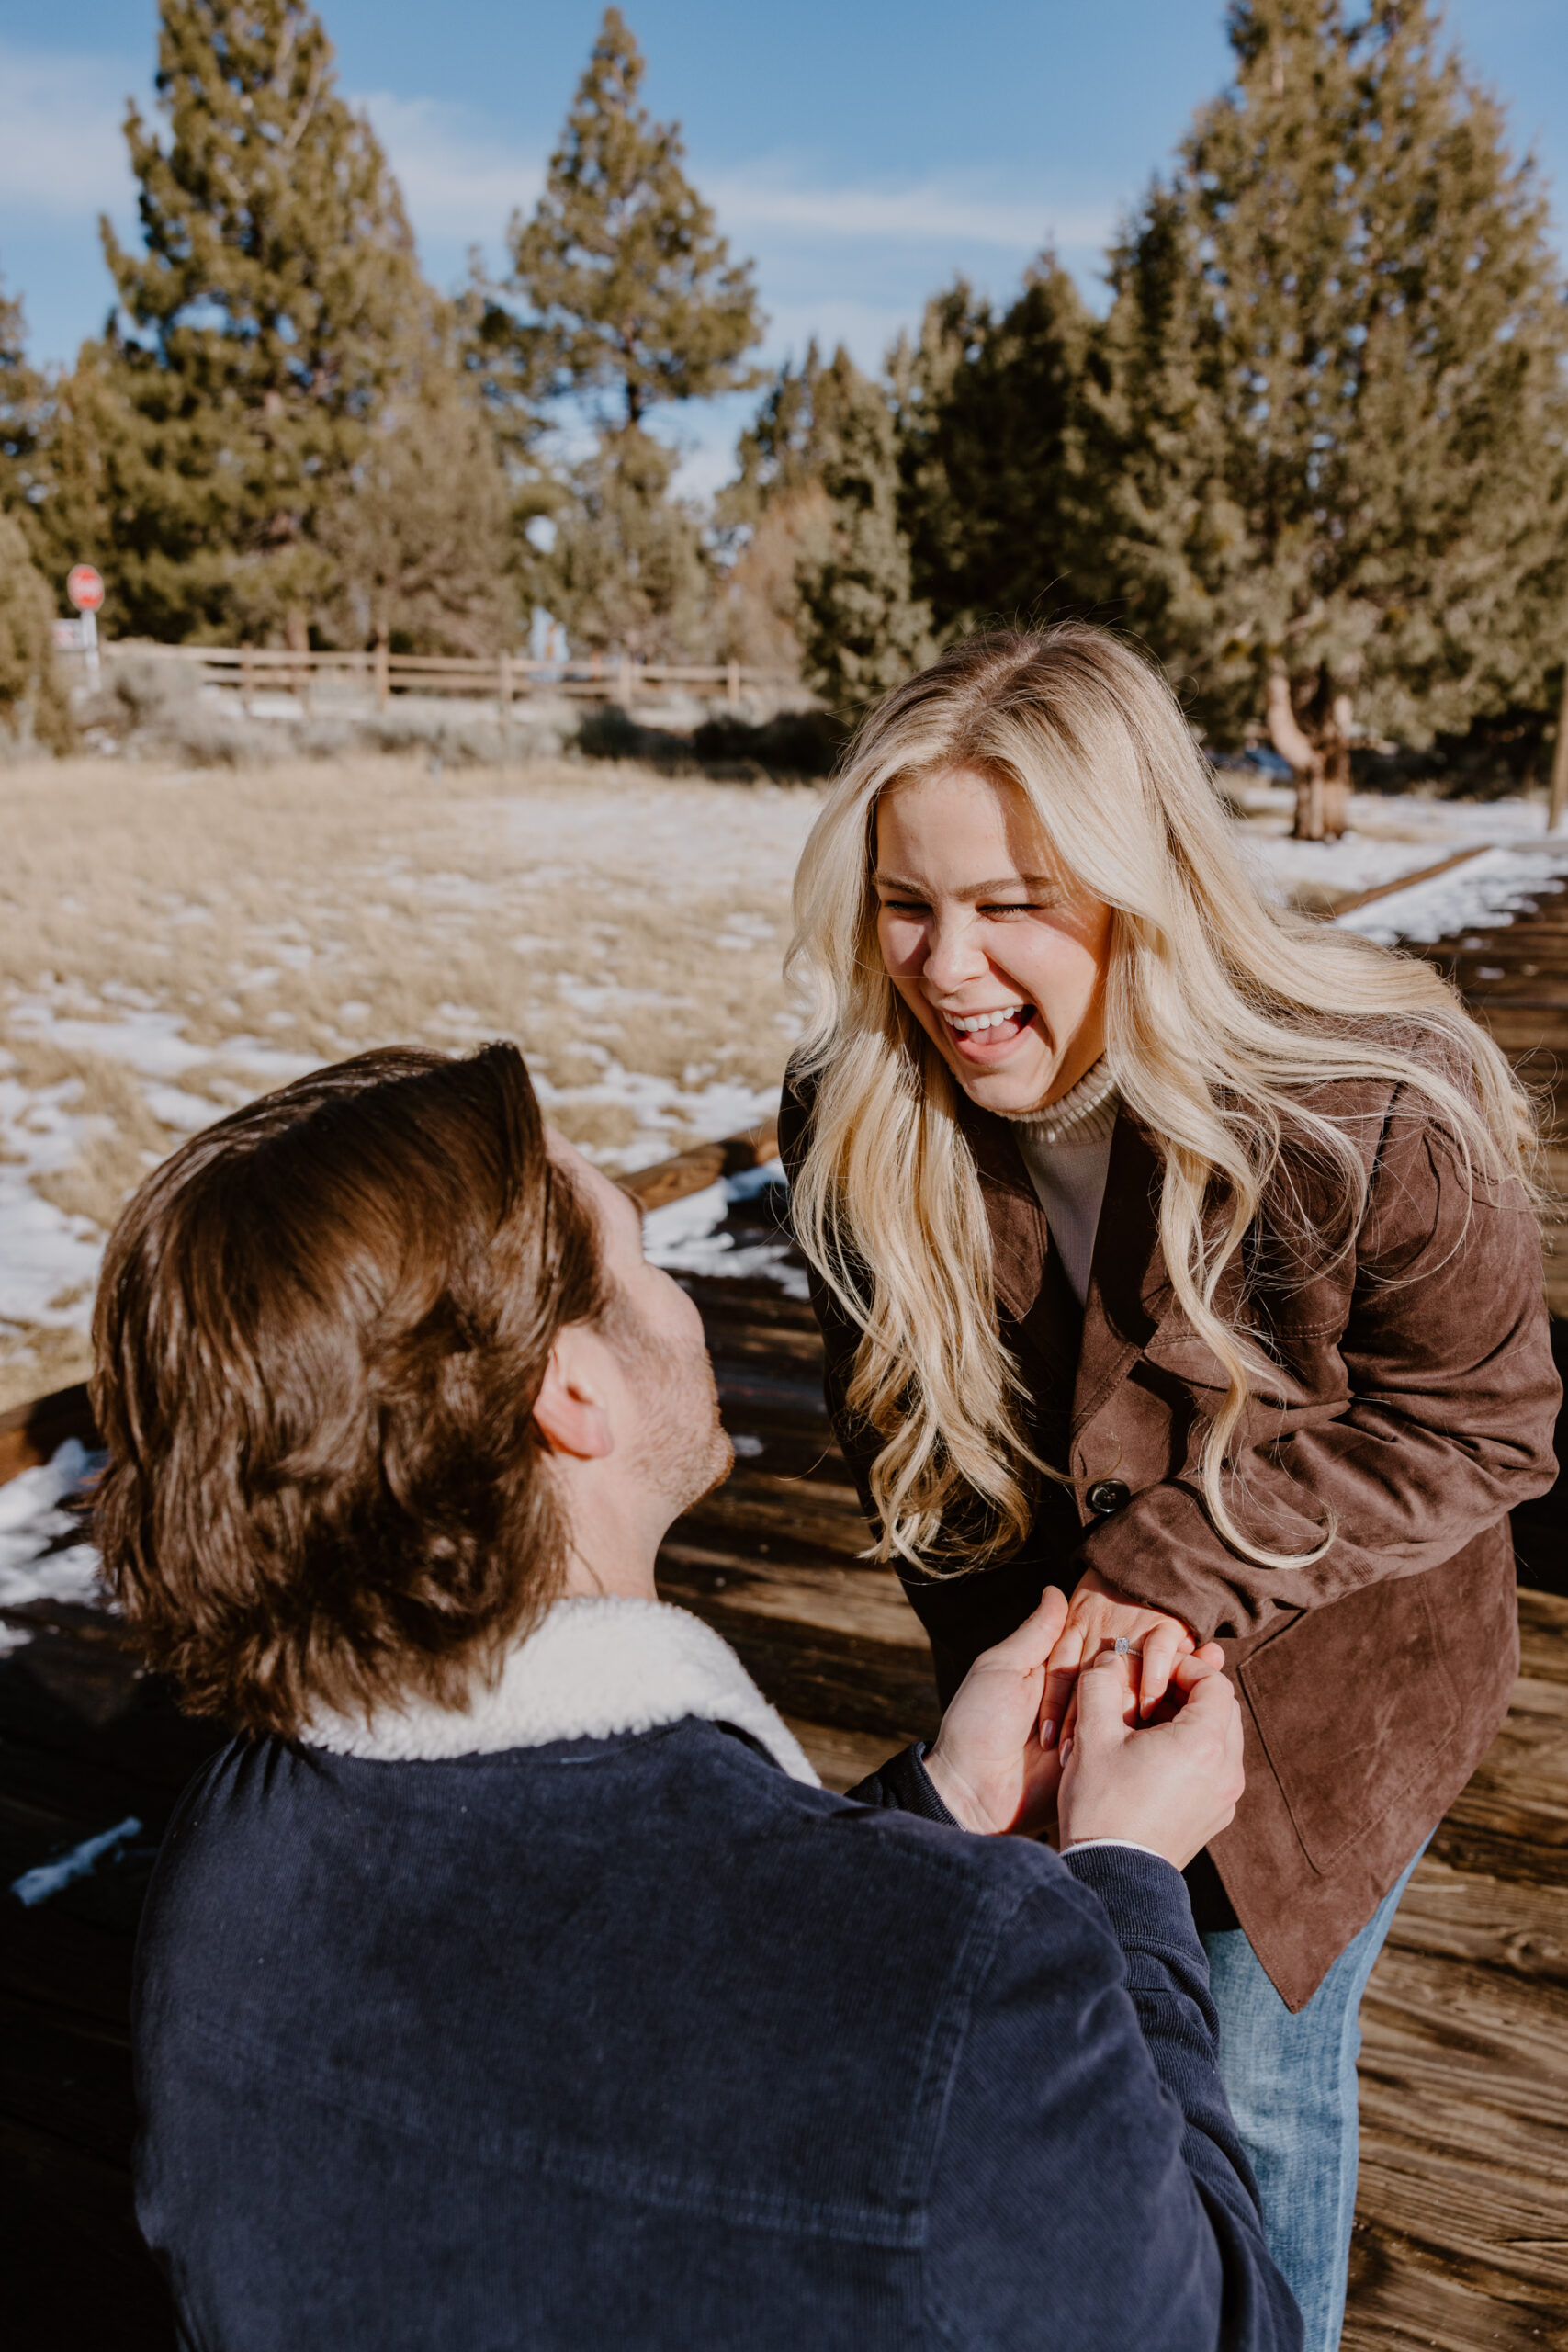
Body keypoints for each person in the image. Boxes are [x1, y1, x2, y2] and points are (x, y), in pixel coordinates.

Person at [95, 1043, 1301, 2352]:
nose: (681, 1299)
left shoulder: (221, 1864)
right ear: (574, 1393)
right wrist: (1123, 1881)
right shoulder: (985, 1972)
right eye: (644, 1261)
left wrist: (937, 1807)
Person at [779, 626, 1561, 2352]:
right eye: (909, 903)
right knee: (1055, 2053)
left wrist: (1179, 1572)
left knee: (1251, 2082)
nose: (949, 966)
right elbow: (916, 1461)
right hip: (1035, 1690)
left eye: (1016, 903)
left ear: (1147, 885)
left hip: (1336, 1707)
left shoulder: (1373, 1109)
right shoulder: (850, 1125)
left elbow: (1493, 1425)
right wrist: (1025, 1720)